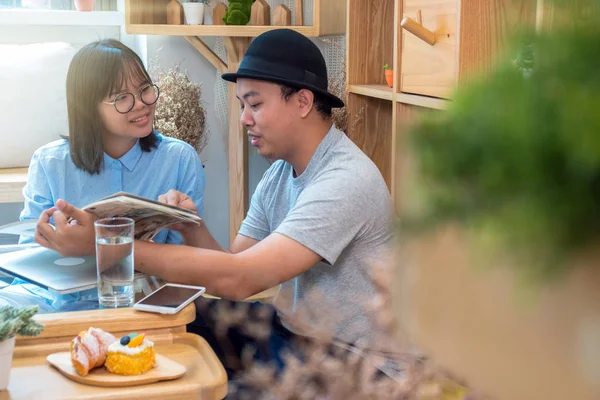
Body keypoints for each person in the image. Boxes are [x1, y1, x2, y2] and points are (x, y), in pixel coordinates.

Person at [35, 29, 396, 372]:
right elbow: (233, 266)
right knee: (190, 317)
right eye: (241, 105)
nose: (243, 119)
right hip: (294, 333)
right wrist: (190, 227)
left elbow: (240, 280)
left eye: (254, 105)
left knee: (203, 365)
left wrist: (109, 246)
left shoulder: (344, 181)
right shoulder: (279, 175)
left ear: (303, 101)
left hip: (353, 362)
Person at [20, 38, 205, 248]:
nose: (141, 104)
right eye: (121, 97)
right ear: (88, 108)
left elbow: (186, 256)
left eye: (145, 89)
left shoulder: (180, 159)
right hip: (66, 280)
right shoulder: (49, 162)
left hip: (153, 281)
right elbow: (29, 249)